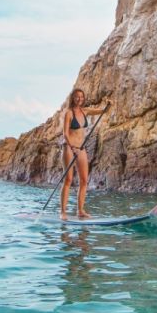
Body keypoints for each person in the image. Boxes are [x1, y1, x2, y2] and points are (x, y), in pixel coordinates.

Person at [60, 89, 111, 220]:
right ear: (73, 98)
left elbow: (103, 111)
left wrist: (108, 105)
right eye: (77, 97)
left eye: (81, 97)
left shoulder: (85, 111)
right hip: (69, 147)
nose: (79, 99)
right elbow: (65, 134)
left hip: (81, 148)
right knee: (68, 180)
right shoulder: (69, 113)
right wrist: (72, 147)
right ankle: (63, 212)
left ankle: (80, 210)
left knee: (84, 180)